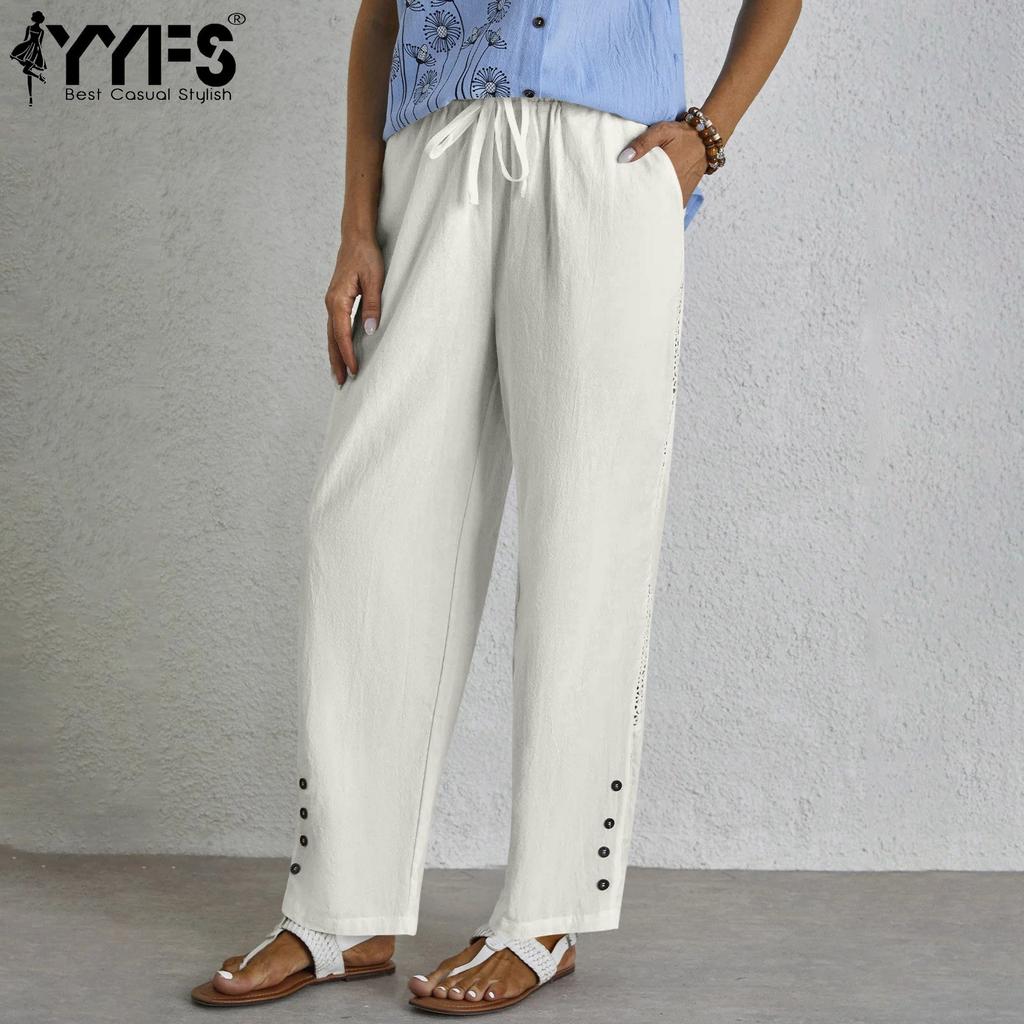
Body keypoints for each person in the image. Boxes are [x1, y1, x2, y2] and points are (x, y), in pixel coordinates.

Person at [191, 0, 802, 1015]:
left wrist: (707, 134)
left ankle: (547, 911)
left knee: (586, 532)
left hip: (605, 161)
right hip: (432, 162)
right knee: (366, 530)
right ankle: (343, 906)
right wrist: (356, 223)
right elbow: (381, 17)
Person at [10, 11, 47, 107]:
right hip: (32, 51)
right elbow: (39, 44)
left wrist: (19, 51)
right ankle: (31, 97)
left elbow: (26, 40)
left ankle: (32, 95)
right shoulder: (39, 30)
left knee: (26, 71)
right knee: (27, 72)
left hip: (30, 51)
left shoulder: (32, 28)